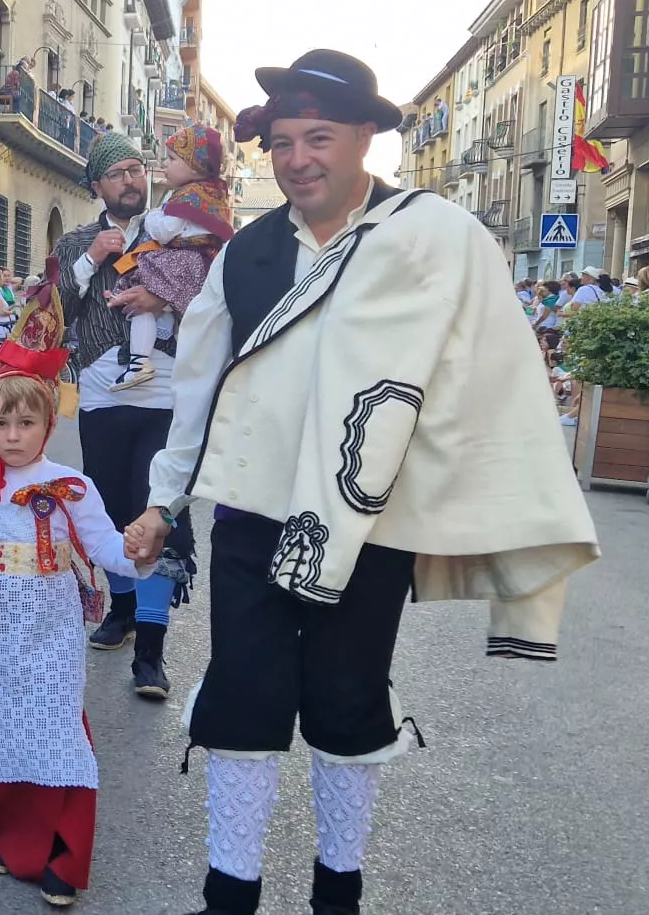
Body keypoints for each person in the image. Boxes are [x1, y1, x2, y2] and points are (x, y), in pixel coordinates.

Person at [122, 50, 598, 915]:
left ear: (366, 138)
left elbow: (488, 379)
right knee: (243, 698)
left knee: (347, 702)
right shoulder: (246, 255)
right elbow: (199, 389)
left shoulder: (437, 236)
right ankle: (229, 892)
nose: (299, 159)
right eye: (284, 143)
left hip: (367, 525)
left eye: (320, 138)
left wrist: (496, 508)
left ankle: (337, 891)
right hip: (253, 515)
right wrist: (163, 502)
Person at [0, 260, 147, 908]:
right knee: (0, 730)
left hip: (50, 638)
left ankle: (63, 853)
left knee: (55, 733)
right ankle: (9, 833)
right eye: (1, 424)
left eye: (26, 424)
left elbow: (109, 552)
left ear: (48, 425)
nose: (13, 437)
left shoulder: (71, 488)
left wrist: (145, 551)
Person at [52, 131, 197, 698]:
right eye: (119, 173)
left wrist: (164, 299)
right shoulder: (76, 241)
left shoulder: (179, 233)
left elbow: (210, 294)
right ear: (98, 186)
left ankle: (152, 652)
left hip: (164, 389)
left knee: (160, 505)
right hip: (101, 391)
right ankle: (124, 607)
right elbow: (57, 305)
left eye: (138, 169)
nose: (132, 179)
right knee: (110, 506)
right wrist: (93, 258)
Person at [109, 123, 234, 391]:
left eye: (173, 159)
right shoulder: (213, 195)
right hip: (200, 265)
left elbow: (164, 231)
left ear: (194, 166)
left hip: (180, 262)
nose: (165, 164)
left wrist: (153, 215)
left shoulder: (188, 197)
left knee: (138, 296)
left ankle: (139, 361)